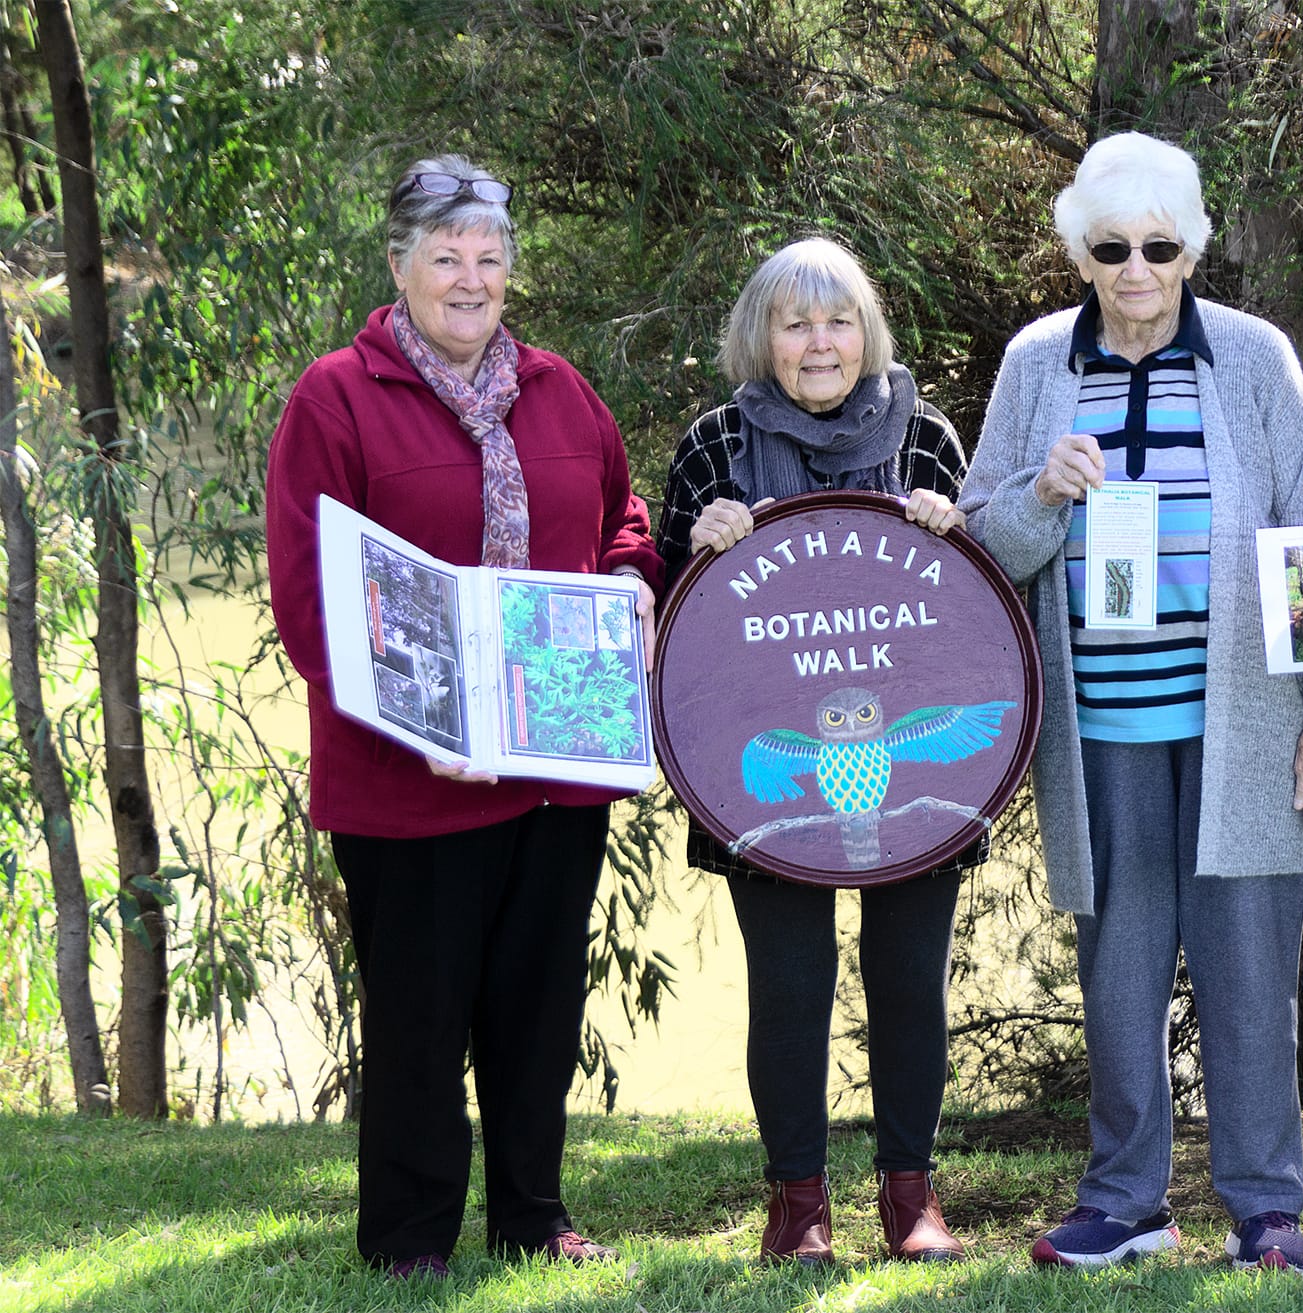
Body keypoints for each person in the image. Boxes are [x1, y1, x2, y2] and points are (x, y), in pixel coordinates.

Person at [957, 132, 1303, 1274]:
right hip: (1103, 732)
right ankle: (1125, 1199)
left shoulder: (1252, 357)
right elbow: (990, 541)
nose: (1136, 269)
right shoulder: (1038, 363)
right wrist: (1041, 491)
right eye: (1112, 246)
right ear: (1080, 251)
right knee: (1119, 973)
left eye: (1160, 246)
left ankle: (1266, 1208)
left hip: (1248, 726)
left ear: (1191, 249)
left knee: (1247, 973)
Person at [267, 154, 660, 1278]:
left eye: (488, 257)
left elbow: (620, 513)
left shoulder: (559, 389)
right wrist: (424, 722)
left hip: (554, 764)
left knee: (537, 1009)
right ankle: (408, 1238)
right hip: (409, 781)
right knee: (419, 1019)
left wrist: (634, 576)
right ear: (399, 266)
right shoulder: (335, 397)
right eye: (445, 256)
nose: (470, 277)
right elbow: (312, 599)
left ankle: (532, 1215)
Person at [654, 237, 972, 1266]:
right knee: (788, 986)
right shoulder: (713, 443)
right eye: (795, 323)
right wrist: (693, 545)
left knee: (907, 978)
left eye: (837, 320)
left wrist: (949, 527)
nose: (819, 341)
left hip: (914, 776)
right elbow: (670, 622)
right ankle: (798, 1205)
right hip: (767, 769)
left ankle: (910, 1197)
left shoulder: (924, 433)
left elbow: (969, 621)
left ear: (865, 329)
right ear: (764, 339)